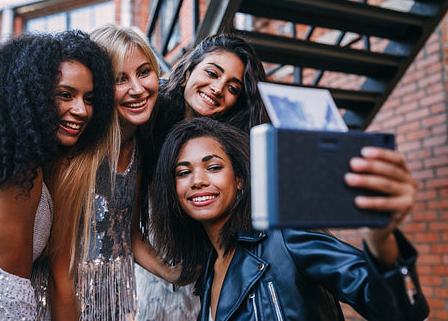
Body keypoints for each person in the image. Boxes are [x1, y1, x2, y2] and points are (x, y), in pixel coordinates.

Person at [150, 117, 430, 321]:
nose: (198, 181)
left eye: (213, 167)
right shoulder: (209, 266)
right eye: (183, 172)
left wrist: (380, 236)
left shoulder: (284, 236)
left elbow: (398, 311)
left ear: (239, 180)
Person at [0, 30, 115, 320]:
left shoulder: (14, 152)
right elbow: (9, 298)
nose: (82, 110)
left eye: (89, 98)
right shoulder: (18, 166)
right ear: (30, 95)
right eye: (65, 95)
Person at [49, 23, 184, 321]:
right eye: (120, 79)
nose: (138, 88)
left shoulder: (138, 147)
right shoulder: (77, 157)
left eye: (145, 72)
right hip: (68, 302)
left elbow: (128, 235)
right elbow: (61, 272)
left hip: (118, 298)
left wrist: (173, 273)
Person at [135, 32, 271, 321]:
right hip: (146, 267)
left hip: (206, 269)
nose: (218, 88)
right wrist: (168, 271)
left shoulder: (234, 148)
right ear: (187, 72)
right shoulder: (146, 120)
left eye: (233, 87)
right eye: (212, 72)